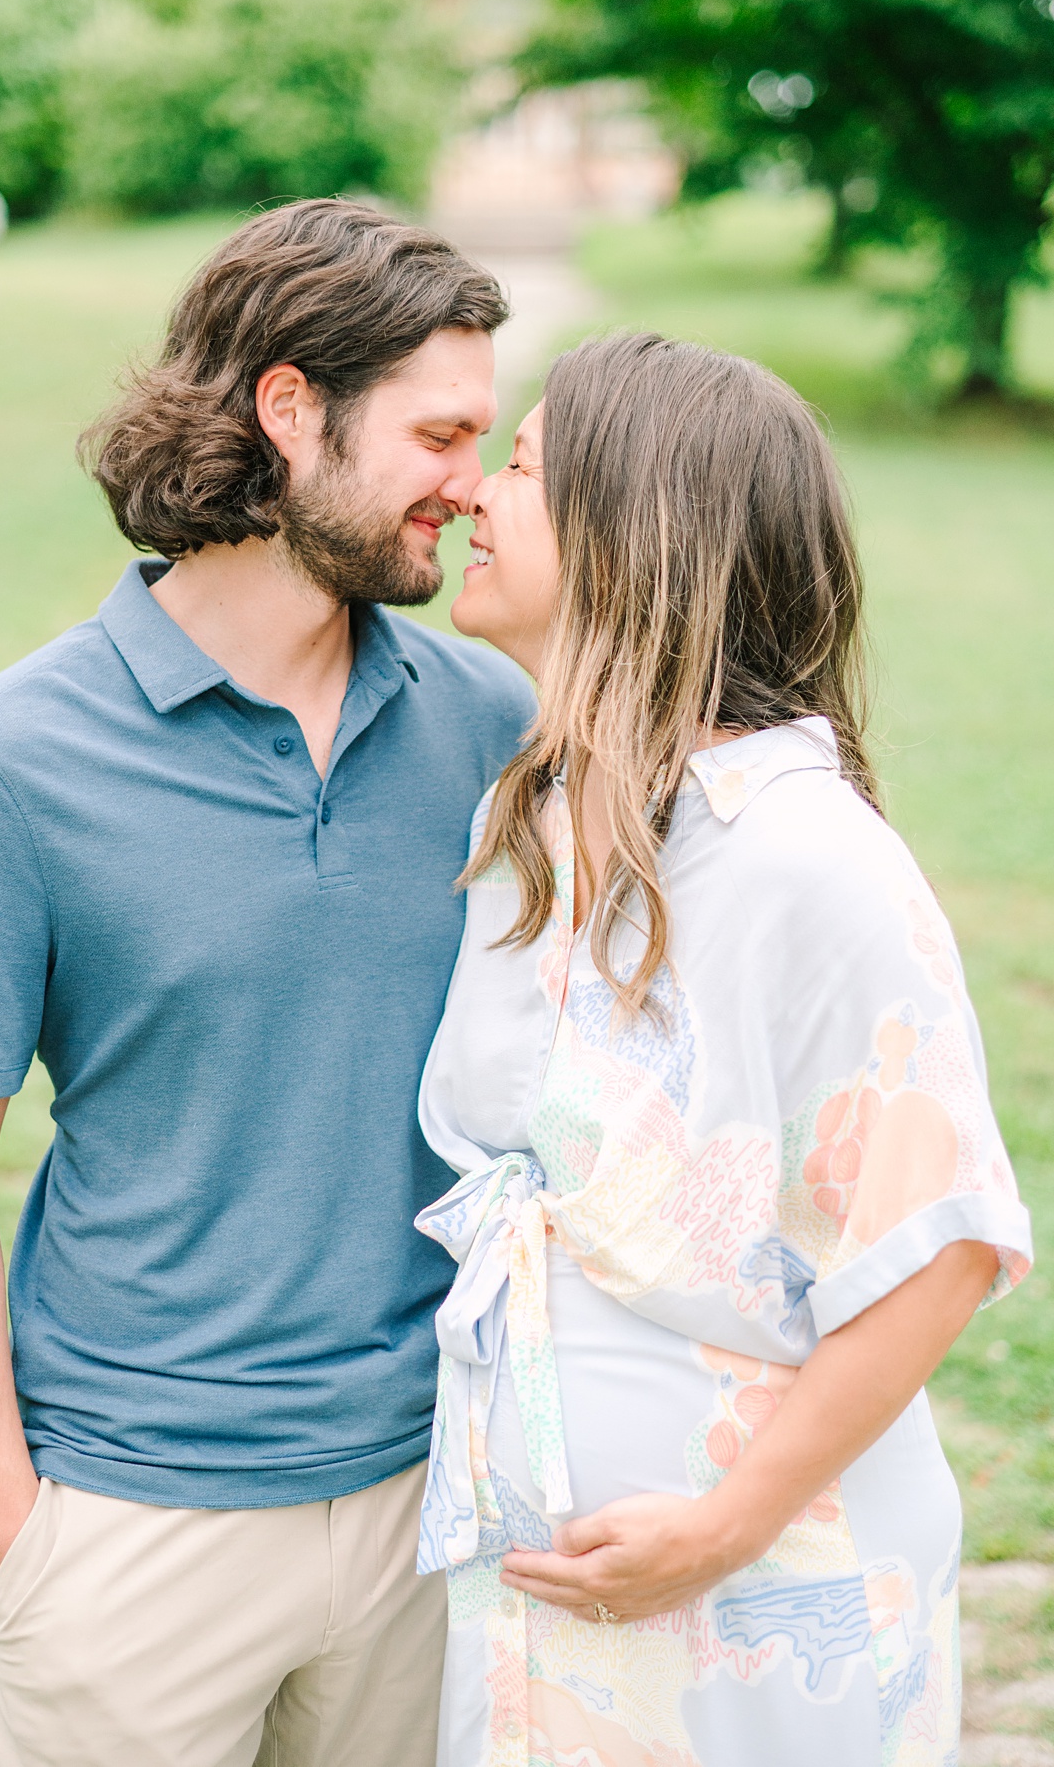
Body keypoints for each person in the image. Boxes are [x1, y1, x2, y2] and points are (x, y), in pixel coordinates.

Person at [0, 198, 536, 1765]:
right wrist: (8, 1528)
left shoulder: (490, 723)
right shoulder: (4, 761)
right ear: (290, 408)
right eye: (440, 433)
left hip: (425, 1500)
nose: (475, 485)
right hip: (130, 1521)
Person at [418, 331, 1033, 1762]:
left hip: (764, 1605)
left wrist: (716, 1529)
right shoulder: (535, 817)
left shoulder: (811, 861)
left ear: (636, 538)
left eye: (516, 467)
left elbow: (937, 1245)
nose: (472, 501)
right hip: (544, 1599)